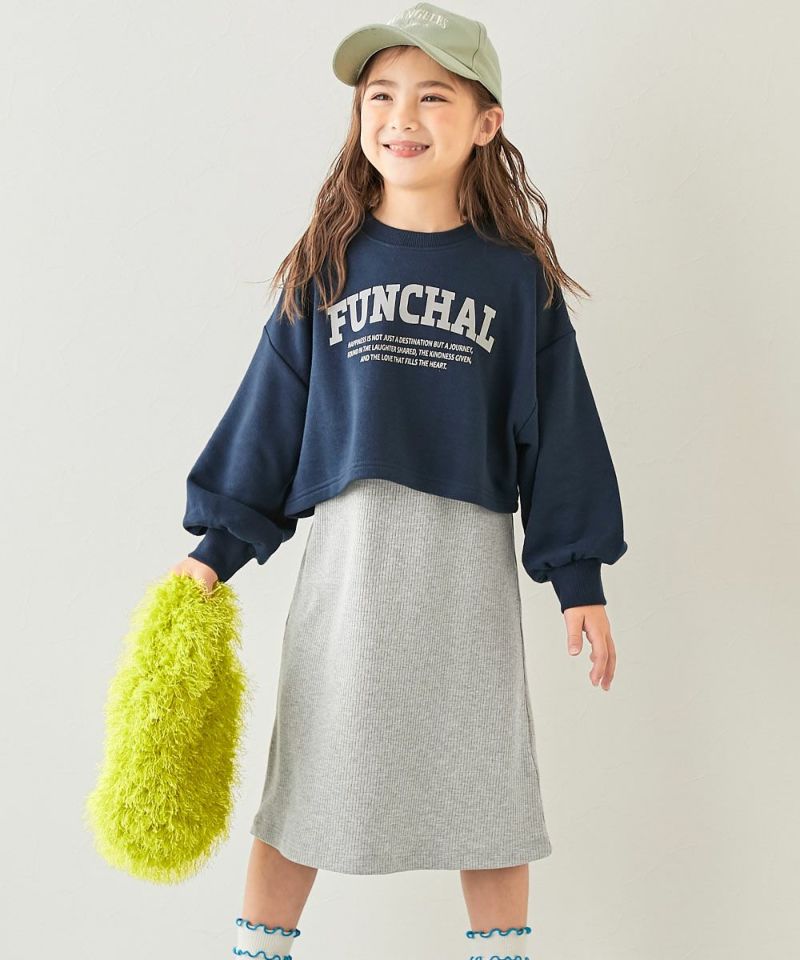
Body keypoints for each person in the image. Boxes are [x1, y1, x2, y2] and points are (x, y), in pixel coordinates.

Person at [171, 4, 628, 958]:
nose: (401, 117)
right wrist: (215, 552)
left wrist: (578, 578)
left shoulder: (517, 281)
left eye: (433, 97)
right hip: (348, 572)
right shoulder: (324, 267)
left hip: (465, 574)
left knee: (488, 788)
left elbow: (563, 435)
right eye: (380, 96)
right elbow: (270, 419)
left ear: (486, 122)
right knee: (307, 782)